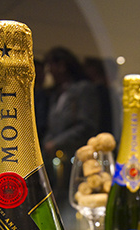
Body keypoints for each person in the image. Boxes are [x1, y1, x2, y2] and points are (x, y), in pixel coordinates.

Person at [42, 47, 101, 197]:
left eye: (51, 65)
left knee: (74, 196)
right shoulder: (57, 93)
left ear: (62, 66)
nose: (48, 71)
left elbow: (87, 125)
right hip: (55, 159)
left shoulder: (83, 89)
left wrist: (56, 142)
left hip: (75, 158)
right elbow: (52, 125)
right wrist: (47, 142)